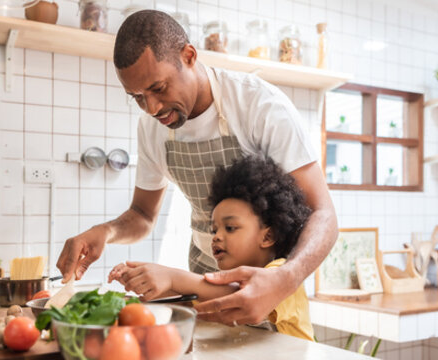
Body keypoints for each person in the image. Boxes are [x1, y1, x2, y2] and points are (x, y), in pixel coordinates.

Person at [54, 10, 338, 327]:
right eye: (137, 97)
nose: (152, 108)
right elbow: (143, 215)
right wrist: (105, 232)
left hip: (269, 289)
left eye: (159, 88)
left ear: (189, 56)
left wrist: (286, 278)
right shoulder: (151, 128)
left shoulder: (259, 106)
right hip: (203, 286)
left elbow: (323, 213)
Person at [108, 155, 314, 340]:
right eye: (215, 230)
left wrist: (171, 276)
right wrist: (146, 280)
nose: (216, 238)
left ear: (268, 236)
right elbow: (193, 301)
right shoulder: (222, 283)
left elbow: (236, 294)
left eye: (230, 228)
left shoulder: (281, 273)